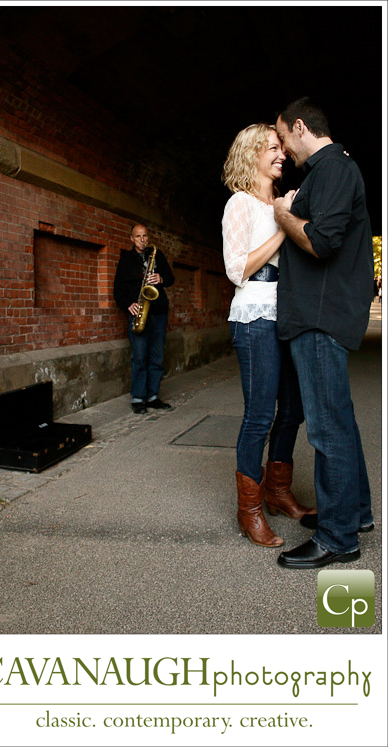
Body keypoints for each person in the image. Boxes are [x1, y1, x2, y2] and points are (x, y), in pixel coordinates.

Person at [274, 96, 374, 570]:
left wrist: (283, 214)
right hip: (323, 313)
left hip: (319, 316)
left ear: (300, 127)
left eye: (283, 138)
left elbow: (322, 241)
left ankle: (338, 538)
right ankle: (355, 514)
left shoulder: (331, 168)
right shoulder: (334, 169)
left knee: (328, 429)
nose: (283, 150)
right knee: (341, 422)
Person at [221, 123, 314, 549]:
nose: (281, 155)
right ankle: (250, 510)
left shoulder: (282, 202)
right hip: (255, 314)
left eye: (281, 148)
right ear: (252, 154)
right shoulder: (239, 204)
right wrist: (282, 227)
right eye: (273, 148)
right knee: (259, 414)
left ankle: (278, 492)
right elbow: (237, 269)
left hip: (288, 314)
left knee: (293, 409)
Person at [114, 223, 175, 414]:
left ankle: (153, 396)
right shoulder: (126, 259)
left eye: (145, 236)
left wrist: (161, 279)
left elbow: (170, 278)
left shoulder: (157, 255)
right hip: (140, 312)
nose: (142, 239)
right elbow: (118, 289)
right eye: (138, 236)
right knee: (140, 356)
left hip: (159, 312)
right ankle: (138, 397)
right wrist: (128, 304)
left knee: (157, 356)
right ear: (132, 239)